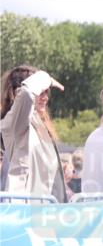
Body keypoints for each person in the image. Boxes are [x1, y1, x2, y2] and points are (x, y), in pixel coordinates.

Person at [1, 65, 67, 200]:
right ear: (16, 94)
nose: (45, 98)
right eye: (41, 92)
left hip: (45, 211)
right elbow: (26, 94)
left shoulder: (38, 124)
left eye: (46, 92)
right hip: (25, 213)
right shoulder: (15, 124)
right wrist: (44, 77)